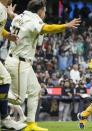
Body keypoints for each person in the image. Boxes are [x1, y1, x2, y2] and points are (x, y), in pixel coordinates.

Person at [4, 0, 81, 130]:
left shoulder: (22, 16)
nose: (45, 12)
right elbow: (47, 28)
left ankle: (31, 124)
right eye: (44, 10)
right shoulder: (33, 20)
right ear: (39, 11)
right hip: (19, 62)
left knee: (35, 90)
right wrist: (66, 25)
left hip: (21, 62)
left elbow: (15, 17)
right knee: (18, 99)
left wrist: (11, 13)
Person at [0, 0, 27, 130]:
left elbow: (0, 30)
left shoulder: (3, 10)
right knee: (5, 78)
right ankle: (5, 119)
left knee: (4, 79)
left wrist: (8, 35)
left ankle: (5, 118)